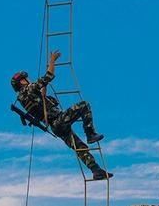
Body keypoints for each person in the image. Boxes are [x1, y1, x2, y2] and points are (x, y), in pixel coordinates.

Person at [11, 50, 113, 180]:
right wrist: (52, 61)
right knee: (84, 105)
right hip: (58, 120)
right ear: (22, 82)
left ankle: (96, 171)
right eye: (26, 78)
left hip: (56, 127)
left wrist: (43, 89)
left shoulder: (23, 97)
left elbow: (40, 98)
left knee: (79, 147)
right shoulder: (28, 89)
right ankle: (90, 134)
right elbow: (49, 76)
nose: (29, 79)